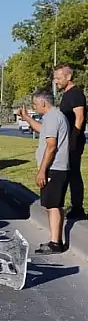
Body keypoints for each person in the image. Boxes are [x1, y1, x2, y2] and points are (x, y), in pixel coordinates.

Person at [19, 89, 71, 254]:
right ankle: (56, 240)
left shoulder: (52, 118)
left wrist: (42, 171)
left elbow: (51, 146)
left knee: (52, 206)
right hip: (58, 168)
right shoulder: (54, 117)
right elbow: (42, 130)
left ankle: (55, 243)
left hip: (54, 169)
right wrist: (27, 118)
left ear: (43, 103)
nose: (35, 107)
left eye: (35, 104)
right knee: (54, 205)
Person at [54, 64, 87, 219]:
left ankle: (78, 208)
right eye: (55, 78)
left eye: (59, 78)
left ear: (68, 77)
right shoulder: (67, 94)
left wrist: (72, 139)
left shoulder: (76, 94)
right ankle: (72, 205)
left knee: (73, 173)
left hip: (73, 141)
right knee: (69, 172)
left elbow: (79, 118)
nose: (56, 81)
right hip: (67, 140)